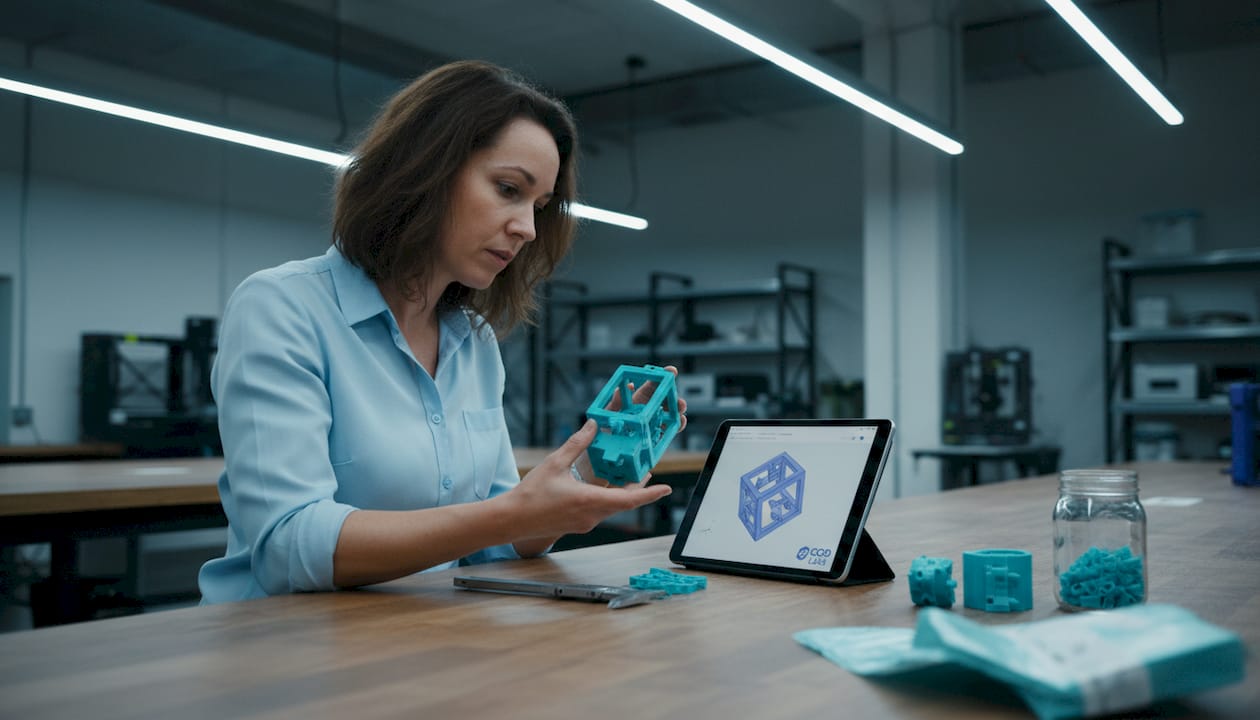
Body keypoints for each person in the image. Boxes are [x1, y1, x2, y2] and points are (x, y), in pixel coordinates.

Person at [199, 60, 685, 603]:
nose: (527, 227)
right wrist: (509, 514)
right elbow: (290, 546)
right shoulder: (283, 307)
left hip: (419, 636)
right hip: (283, 649)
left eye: (538, 207)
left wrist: (593, 473)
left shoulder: (473, 342)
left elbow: (500, 542)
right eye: (508, 189)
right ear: (424, 168)